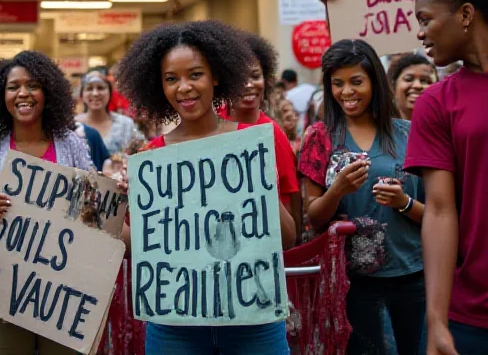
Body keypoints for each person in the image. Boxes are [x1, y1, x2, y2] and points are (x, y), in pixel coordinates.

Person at [116, 20, 296, 355]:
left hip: (253, 320)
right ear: (159, 87)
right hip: (175, 325)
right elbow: (135, 249)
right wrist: (120, 207)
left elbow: (286, 238)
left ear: (216, 76)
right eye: (171, 79)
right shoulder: (151, 156)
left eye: (195, 74)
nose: (183, 87)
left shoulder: (251, 144)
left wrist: (264, 190)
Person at [0, 50, 93, 355]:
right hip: (3, 285)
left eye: (33, 85)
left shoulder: (70, 144)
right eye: (13, 87)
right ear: (2, 96)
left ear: (48, 93)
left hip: (63, 287)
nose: (23, 94)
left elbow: (96, 204)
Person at [298, 39, 425, 355]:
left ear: (375, 83)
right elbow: (312, 217)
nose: (346, 92)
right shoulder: (320, 135)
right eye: (337, 84)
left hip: (414, 275)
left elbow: (438, 213)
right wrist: (337, 189)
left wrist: (403, 203)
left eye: (356, 82)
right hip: (352, 283)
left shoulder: (409, 133)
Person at [403, 0, 488, 355]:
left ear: (466, 14)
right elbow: (439, 210)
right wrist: (436, 320)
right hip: (468, 316)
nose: (420, 33)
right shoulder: (436, 102)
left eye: (425, 18)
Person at [218, 31, 302, 239]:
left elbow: (291, 201)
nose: (248, 85)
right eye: (239, 78)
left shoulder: (272, 134)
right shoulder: (211, 123)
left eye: (255, 76)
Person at [76, 71, 144, 155]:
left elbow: (141, 152)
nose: (95, 93)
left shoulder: (126, 124)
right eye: (89, 89)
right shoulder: (73, 125)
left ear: (110, 92)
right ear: (82, 94)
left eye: (100, 88)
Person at [386, 53, 437, 121]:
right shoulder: (378, 128)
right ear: (393, 86)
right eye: (408, 79)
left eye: (424, 81)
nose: (417, 85)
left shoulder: (446, 127)